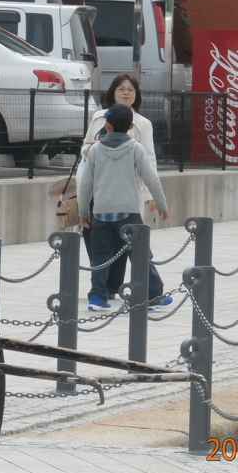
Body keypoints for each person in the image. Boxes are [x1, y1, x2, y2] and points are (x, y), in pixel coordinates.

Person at [78, 73, 170, 307]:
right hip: (128, 210)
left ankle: (97, 297)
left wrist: (82, 210)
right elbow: (151, 176)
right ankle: (152, 294)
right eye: (121, 89)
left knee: (100, 255)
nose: (126, 92)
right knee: (139, 253)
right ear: (130, 127)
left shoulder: (95, 150)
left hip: (100, 210)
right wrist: (161, 204)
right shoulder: (134, 148)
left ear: (107, 125)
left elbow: (86, 182)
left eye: (131, 89)